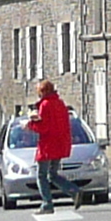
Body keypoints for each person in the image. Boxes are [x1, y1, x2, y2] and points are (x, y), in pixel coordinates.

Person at [28, 80, 75, 212]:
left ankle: (47, 204)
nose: (38, 95)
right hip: (61, 143)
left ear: (43, 92)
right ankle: (74, 191)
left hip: (48, 145)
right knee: (53, 174)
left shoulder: (45, 105)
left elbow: (44, 127)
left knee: (42, 175)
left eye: (39, 92)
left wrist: (30, 125)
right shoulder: (60, 104)